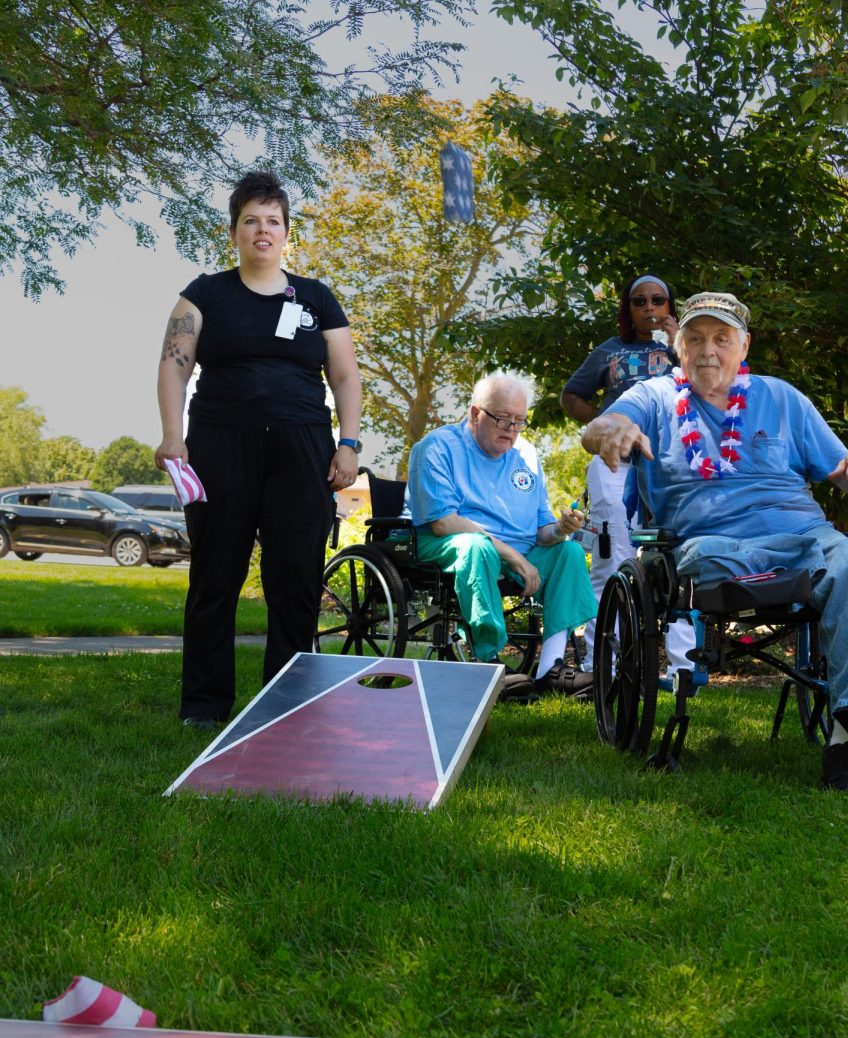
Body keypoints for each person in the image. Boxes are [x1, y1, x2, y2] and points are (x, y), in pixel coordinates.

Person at [582, 291, 848, 791]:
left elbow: (843, 467)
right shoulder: (656, 397)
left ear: (743, 346)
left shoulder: (782, 398)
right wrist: (609, 431)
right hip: (710, 546)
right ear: (677, 348)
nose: (708, 351)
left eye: (721, 339)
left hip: (803, 538)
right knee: (703, 559)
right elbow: (603, 424)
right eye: (696, 339)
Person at [155, 169, 363, 728]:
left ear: (287, 234)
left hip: (303, 448)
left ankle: (288, 704)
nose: (262, 230)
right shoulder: (202, 294)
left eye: (273, 221)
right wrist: (173, 435)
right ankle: (203, 706)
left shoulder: (317, 298)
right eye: (251, 220)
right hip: (220, 445)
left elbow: (344, 377)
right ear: (235, 231)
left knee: (295, 578)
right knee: (214, 576)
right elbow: (174, 367)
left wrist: (348, 444)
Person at [407, 373, 598, 695]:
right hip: (446, 543)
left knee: (569, 552)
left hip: (517, 549)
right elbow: (443, 523)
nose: (511, 430)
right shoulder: (436, 447)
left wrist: (561, 530)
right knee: (476, 547)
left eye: (519, 421)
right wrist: (511, 556)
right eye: (503, 419)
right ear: (474, 414)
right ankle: (488, 661)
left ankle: (551, 668)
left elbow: (541, 531)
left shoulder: (525, 453)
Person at [562, 273, 694, 675]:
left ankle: (683, 667)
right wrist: (604, 424)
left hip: (670, 460)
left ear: (670, 306)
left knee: (679, 555)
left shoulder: (687, 351)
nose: (650, 308)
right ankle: (605, 662)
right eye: (640, 302)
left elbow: (714, 388)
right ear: (628, 308)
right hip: (616, 461)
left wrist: (679, 343)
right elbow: (571, 395)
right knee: (611, 554)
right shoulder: (609, 352)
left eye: (659, 300)